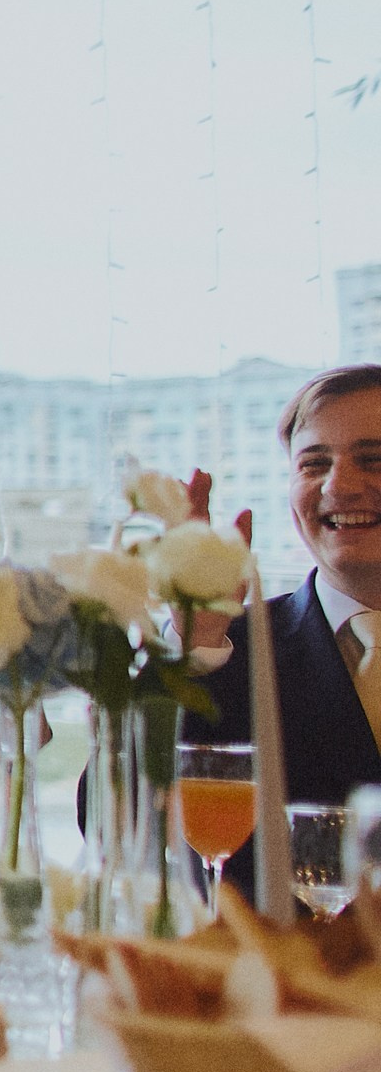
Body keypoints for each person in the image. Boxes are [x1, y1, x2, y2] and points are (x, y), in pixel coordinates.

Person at [183, 365, 381, 891]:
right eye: (314, 464)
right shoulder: (228, 651)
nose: (338, 486)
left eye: (373, 460)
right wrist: (193, 652)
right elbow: (110, 822)